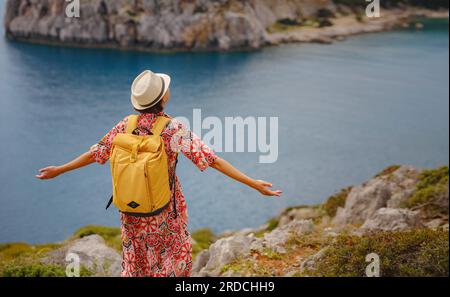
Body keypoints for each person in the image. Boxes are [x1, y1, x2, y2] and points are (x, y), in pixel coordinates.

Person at [36, 70, 282, 277]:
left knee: (136, 264)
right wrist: (254, 184)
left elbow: (96, 154)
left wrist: (60, 170)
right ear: (163, 98)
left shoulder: (126, 125)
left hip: (131, 211)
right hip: (164, 212)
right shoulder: (173, 129)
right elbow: (212, 161)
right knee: (172, 263)